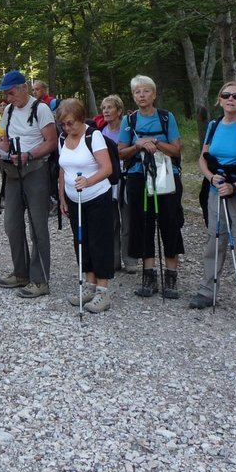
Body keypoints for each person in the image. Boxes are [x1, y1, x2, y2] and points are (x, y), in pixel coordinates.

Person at [190, 81, 236, 317]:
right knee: (215, 240)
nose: (230, 99)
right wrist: (212, 178)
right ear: (220, 99)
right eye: (226, 95)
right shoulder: (213, 125)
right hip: (216, 192)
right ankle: (207, 290)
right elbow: (203, 158)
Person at [0, 70, 58, 299]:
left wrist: (29, 154)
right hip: (12, 171)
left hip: (36, 170)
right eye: (6, 94)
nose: (8, 98)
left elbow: (51, 142)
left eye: (11, 93)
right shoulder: (8, 110)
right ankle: (21, 273)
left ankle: (40, 280)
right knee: (12, 224)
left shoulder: (41, 109)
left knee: (38, 226)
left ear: (23, 88)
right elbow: (7, 140)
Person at [118, 75, 184, 299]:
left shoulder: (166, 118)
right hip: (138, 177)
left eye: (146, 91)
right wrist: (137, 145)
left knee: (170, 222)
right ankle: (149, 275)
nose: (142, 95)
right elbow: (120, 151)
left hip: (167, 176)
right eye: (137, 92)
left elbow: (176, 150)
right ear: (134, 96)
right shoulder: (130, 120)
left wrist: (155, 143)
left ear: (154, 94)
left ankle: (171, 276)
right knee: (143, 223)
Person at [56, 98, 115, 313]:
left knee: (100, 242)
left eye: (70, 123)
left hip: (97, 196)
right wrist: (62, 196)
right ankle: (89, 284)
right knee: (82, 242)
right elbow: (63, 169)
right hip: (74, 199)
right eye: (63, 124)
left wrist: (89, 181)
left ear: (81, 118)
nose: (67, 127)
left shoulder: (94, 136)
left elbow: (107, 168)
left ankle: (102, 291)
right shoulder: (62, 138)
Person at [99, 94, 136, 273]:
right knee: (111, 220)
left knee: (128, 219)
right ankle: (113, 260)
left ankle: (129, 260)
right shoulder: (100, 131)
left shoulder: (127, 129)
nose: (106, 111)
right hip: (107, 179)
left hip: (126, 177)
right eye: (104, 108)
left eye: (110, 107)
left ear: (119, 110)